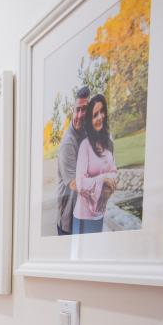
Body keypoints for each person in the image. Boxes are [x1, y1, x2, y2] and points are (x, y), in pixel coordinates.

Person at [72, 94, 117, 234]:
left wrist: (111, 180)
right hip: (83, 219)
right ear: (90, 121)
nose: (100, 117)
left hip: (100, 214)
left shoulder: (108, 142)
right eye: (95, 115)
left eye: (102, 111)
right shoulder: (85, 146)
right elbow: (80, 183)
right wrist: (102, 179)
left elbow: (114, 171)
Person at [55, 87, 90, 235]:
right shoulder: (67, 144)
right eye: (78, 109)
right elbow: (76, 184)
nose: (80, 115)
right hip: (68, 224)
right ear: (73, 110)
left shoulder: (86, 134)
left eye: (85, 110)